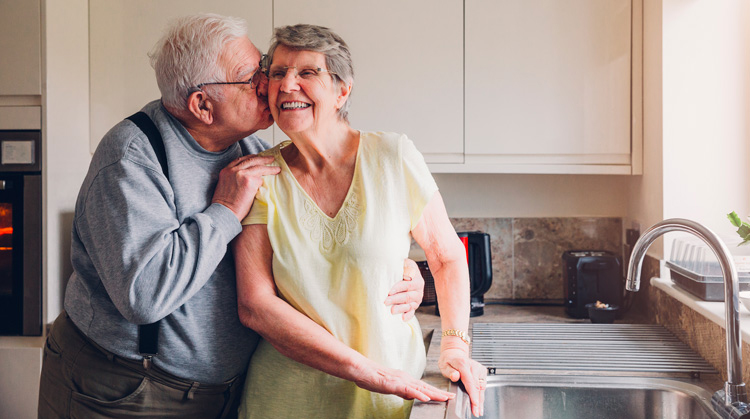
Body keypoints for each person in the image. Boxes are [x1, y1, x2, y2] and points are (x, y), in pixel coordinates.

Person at [37, 14, 428, 419]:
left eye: (262, 64)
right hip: (125, 390)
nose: (270, 83)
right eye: (251, 76)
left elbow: (313, 253)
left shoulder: (251, 151)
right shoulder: (132, 158)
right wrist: (223, 212)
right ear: (202, 104)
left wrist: (400, 272)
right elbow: (145, 296)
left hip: (226, 392)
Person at [233, 24, 487, 419]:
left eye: (307, 72)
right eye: (279, 73)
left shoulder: (392, 156)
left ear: (342, 91)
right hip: (287, 403)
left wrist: (455, 346)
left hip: (389, 401)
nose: (287, 85)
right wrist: (369, 372)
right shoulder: (259, 176)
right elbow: (256, 306)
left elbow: (446, 257)